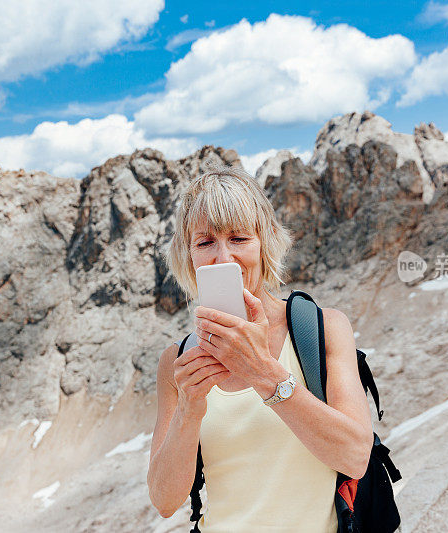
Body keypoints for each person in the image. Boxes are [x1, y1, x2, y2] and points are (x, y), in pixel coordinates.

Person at [147, 164, 373, 532]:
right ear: (188, 256)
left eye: (239, 239)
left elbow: (355, 457)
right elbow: (164, 501)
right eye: (205, 243)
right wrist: (189, 408)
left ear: (265, 242)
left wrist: (264, 373)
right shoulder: (176, 361)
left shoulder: (322, 329)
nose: (223, 258)